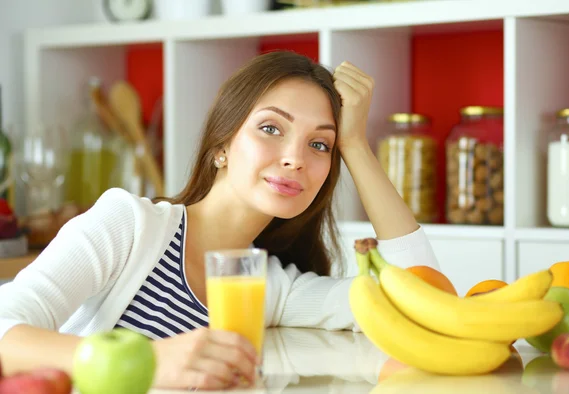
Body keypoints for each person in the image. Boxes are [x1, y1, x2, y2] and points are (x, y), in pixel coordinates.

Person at [0, 51, 440, 390]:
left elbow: (421, 303)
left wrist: (357, 146)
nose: (294, 159)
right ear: (221, 146)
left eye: (320, 145)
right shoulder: (129, 225)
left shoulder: (268, 286)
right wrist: (153, 360)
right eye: (271, 129)